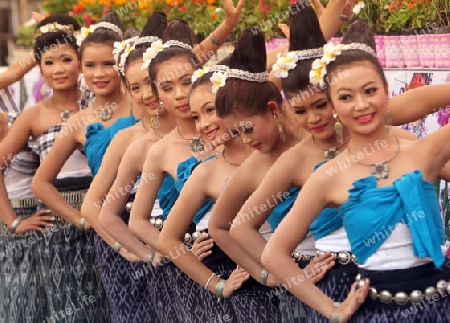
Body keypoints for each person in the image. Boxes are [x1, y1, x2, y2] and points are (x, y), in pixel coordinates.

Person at [232, 6, 450, 323]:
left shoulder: (420, 151)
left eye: (370, 91)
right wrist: (331, 309)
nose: (361, 104)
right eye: (346, 97)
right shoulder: (325, 177)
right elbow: (271, 253)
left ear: (387, 93)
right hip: (364, 304)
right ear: (335, 103)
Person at [158, 37, 281, 321]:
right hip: (251, 290)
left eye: (211, 110)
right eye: (196, 116)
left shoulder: (275, 150)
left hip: (302, 271)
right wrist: (219, 284)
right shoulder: (206, 172)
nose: (203, 124)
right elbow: (168, 239)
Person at [31, 11, 138, 322]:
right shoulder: (78, 122)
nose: (99, 73)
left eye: (108, 64)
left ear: (121, 65)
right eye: (90, 65)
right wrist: (82, 221)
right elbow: (41, 182)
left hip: (158, 220)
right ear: (81, 68)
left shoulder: (142, 105)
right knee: (125, 312)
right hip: (109, 226)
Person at [0, 15, 108, 321]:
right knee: (70, 309)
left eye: (66, 59)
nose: (58, 69)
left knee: (110, 304)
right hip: (60, 226)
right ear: (39, 68)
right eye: (49, 62)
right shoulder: (33, 116)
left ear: (81, 62)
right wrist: (13, 222)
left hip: (107, 216)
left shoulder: (101, 105)